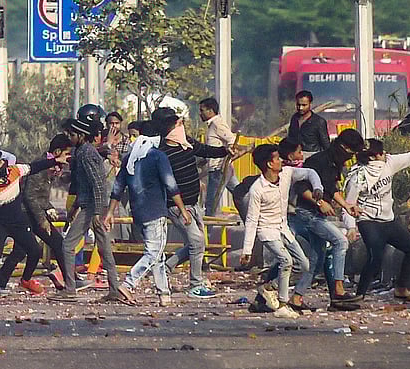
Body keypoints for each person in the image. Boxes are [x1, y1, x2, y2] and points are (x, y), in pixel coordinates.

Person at [153, 107, 237, 299]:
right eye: (178, 124)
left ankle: (167, 266)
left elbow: (206, 150)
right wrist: (182, 210)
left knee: (197, 243)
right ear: (170, 128)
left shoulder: (187, 143)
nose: (182, 126)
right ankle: (195, 284)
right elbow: (169, 185)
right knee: (197, 242)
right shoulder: (163, 154)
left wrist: (225, 151)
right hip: (178, 207)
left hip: (193, 204)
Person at [54, 115, 132, 303]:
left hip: (93, 208)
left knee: (67, 245)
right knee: (105, 249)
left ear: (81, 135)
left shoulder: (86, 153)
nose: (69, 138)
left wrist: (97, 212)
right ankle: (114, 289)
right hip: (93, 206)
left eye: (72, 134)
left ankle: (70, 289)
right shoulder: (84, 151)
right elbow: (86, 185)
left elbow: (97, 184)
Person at [240, 144, 324, 319]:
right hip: (267, 231)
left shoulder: (286, 174)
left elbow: (310, 173)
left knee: (304, 264)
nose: (281, 161)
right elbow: (251, 220)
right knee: (286, 261)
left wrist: (317, 188)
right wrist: (247, 250)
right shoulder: (257, 189)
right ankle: (282, 304)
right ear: (269, 164)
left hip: (283, 228)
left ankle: (269, 287)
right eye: (277, 158)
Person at [108, 120, 187, 306]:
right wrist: (183, 210)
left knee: (157, 255)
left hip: (138, 213)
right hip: (155, 212)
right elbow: (170, 185)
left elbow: (118, 187)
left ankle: (164, 294)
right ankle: (129, 283)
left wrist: (110, 212)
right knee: (154, 252)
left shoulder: (130, 158)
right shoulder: (158, 156)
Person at [346, 139, 410, 301]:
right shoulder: (358, 177)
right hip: (368, 221)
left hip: (388, 221)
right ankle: (359, 295)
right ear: (375, 156)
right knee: (375, 258)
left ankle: (401, 288)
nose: (385, 155)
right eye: (381, 153)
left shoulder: (389, 163)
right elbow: (349, 205)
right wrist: (351, 227)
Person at [0, 149, 68, 298]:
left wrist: (55, 161)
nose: (3, 163)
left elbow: (34, 167)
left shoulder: (14, 171)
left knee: (35, 251)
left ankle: (26, 280)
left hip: (18, 221)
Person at [298, 129, 367, 307]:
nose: (350, 159)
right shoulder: (317, 161)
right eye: (351, 154)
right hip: (308, 214)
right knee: (340, 242)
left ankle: (295, 297)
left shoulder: (334, 165)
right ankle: (338, 290)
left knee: (317, 258)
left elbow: (331, 188)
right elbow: (302, 188)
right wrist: (321, 203)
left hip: (316, 214)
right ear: (343, 147)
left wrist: (347, 206)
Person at [22, 134, 73, 290]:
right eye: (66, 154)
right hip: (26, 212)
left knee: (56, 244)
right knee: (29, 250)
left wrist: (49, 207)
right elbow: (30, 195)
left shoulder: (53, 167)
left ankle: (67, 280)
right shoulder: (42, 165)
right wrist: (42, 219)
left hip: (35, 211)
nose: (67, 158)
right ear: (57, 152)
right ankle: (1, 282)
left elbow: (40, 195)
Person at [200, 97, 240, 217]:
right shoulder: (212, 125)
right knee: (240, 193)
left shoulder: (217, 124)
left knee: (211, 202)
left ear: (210, 111)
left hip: (219, 169)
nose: (200, 113)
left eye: (202, 110)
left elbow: (232, 140)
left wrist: (229, 151)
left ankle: (209, 232)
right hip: (220, 168)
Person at [286, 90, 330, 158]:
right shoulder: (294, 118)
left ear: (310, 104)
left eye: (304, 105)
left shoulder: (319, 122)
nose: (301, 108)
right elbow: (290, 137)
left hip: (313, 156)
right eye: (298, 105)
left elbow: (326, 144)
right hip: (295, 157)